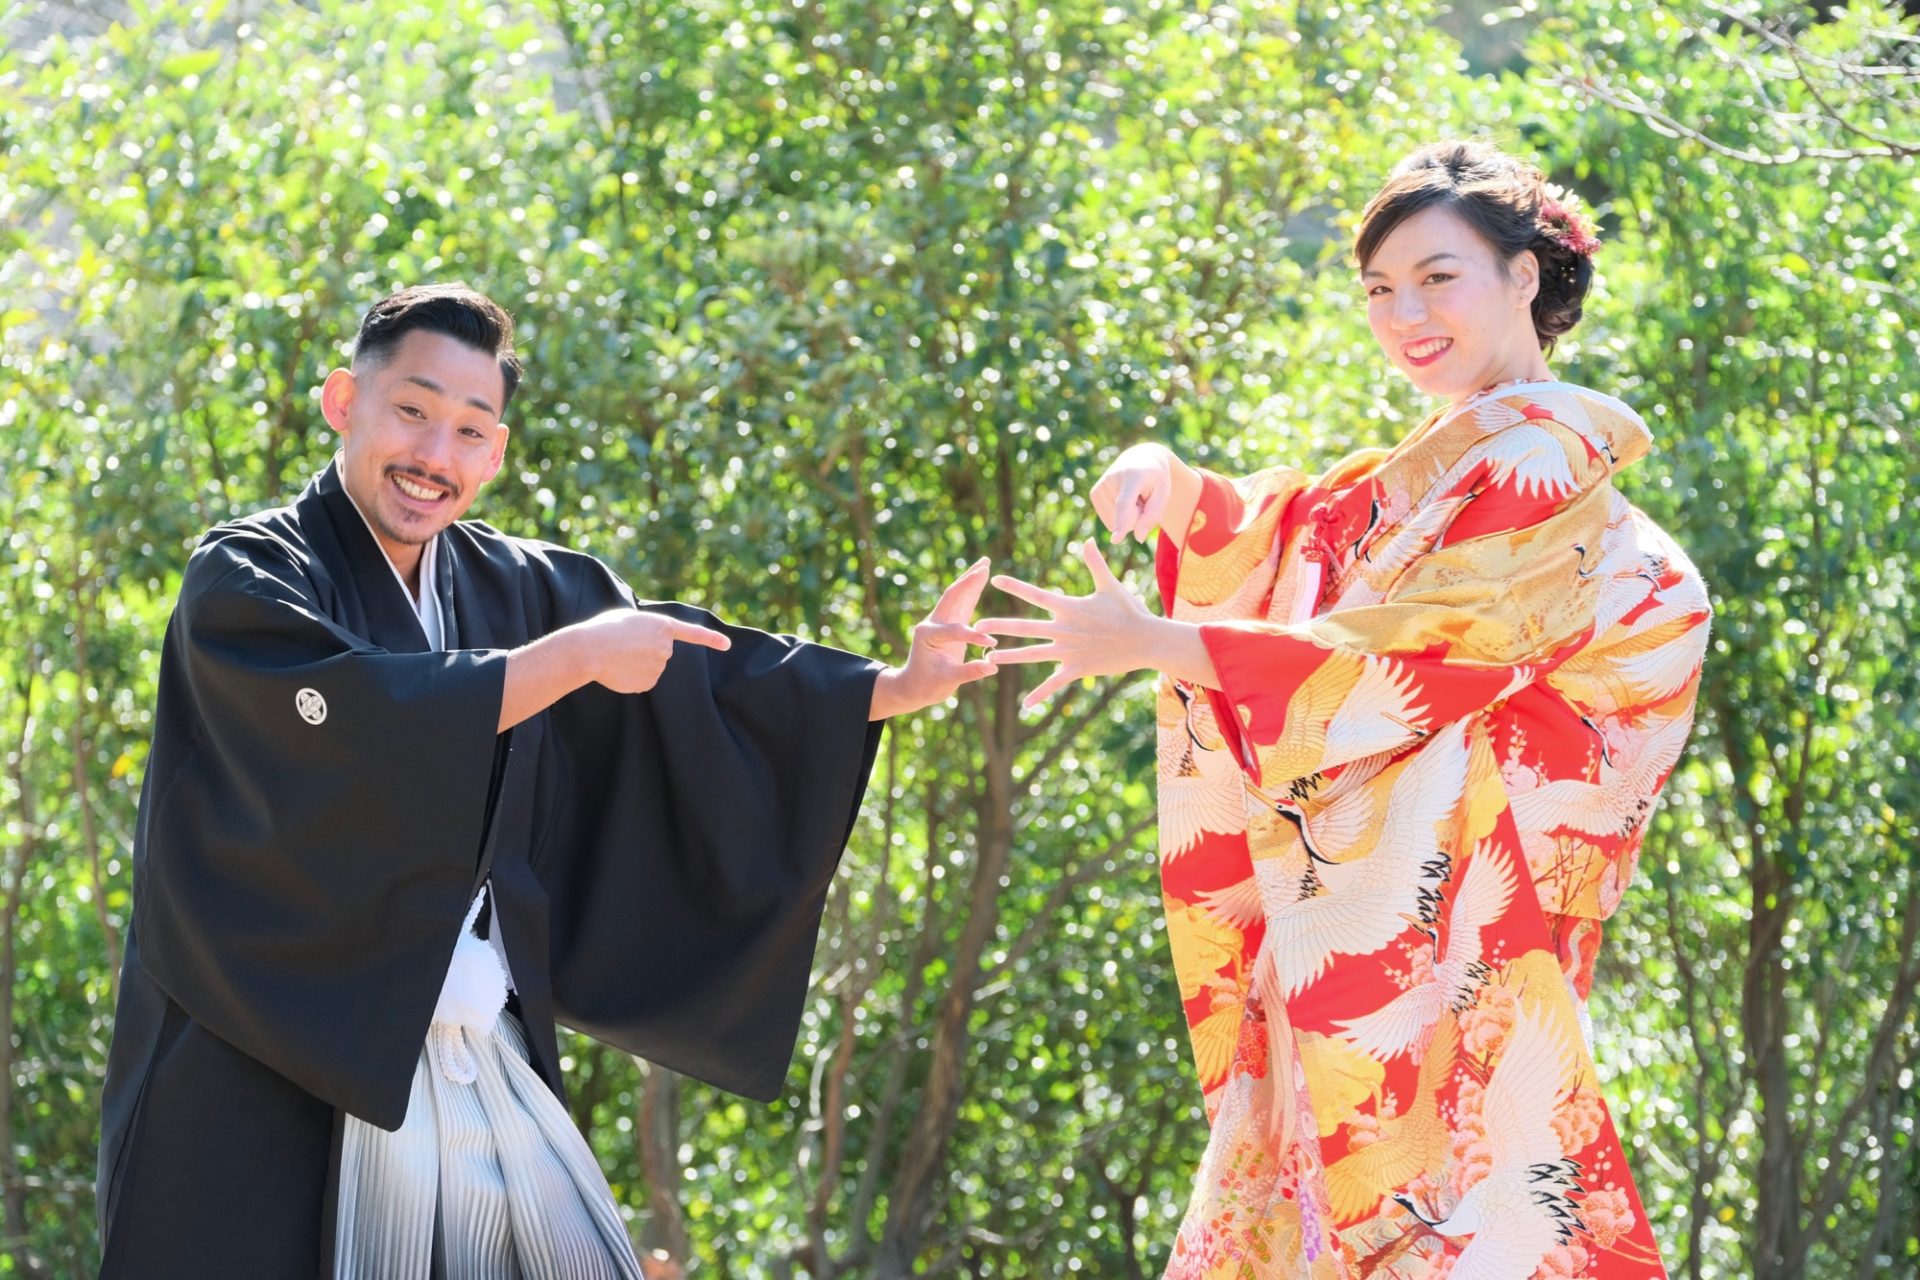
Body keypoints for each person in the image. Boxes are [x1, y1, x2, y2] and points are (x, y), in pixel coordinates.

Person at [94, 284, 997, 1277]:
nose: (436, 456)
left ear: (498, 450)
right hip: (277, 1066)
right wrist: (567, 659)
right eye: (411, 410)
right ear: (343, 400)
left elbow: (693, 674)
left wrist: (894, 685)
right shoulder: (249, 573)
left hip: (472, 1047)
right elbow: (355, 714)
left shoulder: (514, 586)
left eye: (469, 429)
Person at [985, 140, 1709, 1276]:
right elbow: (1303, 532)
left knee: (1454, 1208)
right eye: (1378, 288)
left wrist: (1154, 641)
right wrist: (1173, 484)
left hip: (1461, 928)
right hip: (1394, 923)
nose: (1403, 312)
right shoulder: (1440, 467)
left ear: (1525, 275)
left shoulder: (1542, 462)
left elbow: (1409, 653)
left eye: (1436, 276)